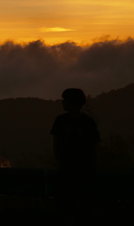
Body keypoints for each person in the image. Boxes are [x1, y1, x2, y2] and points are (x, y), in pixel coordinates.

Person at [50, 88, 100, 225]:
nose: (62, 103)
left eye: (65, 100)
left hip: (78, 172)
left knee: (73, 209)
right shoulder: (86, 122)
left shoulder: (80, 122)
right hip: (76, 171)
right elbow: (94, 148)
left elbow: (57, 145)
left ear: (72, 102)